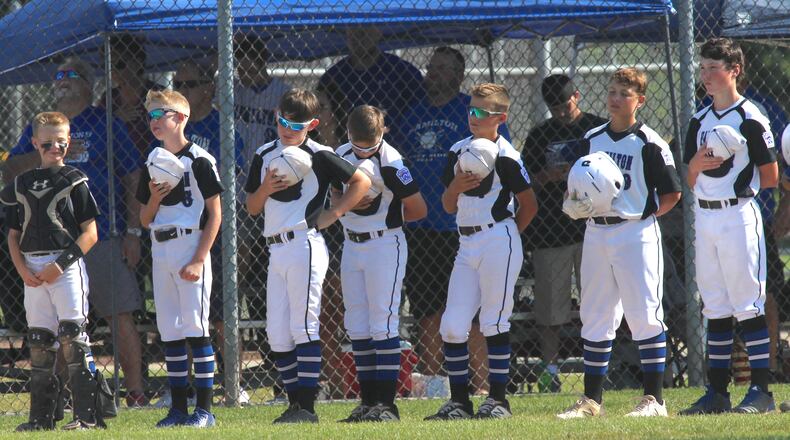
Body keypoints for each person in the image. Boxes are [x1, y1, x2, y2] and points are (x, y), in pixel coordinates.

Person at [1, 57, 147, 408]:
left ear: (88, 83)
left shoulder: (106, 123)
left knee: (118, 313)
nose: (62, 81)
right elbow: (9, 170)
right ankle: (60, 396)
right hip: (49, 243)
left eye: (71, 75)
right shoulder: (41, 129)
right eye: (59, 76)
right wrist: (49, 151)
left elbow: (132, 177)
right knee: (58, 323)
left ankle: (136, 392)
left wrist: (132, 231)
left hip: (99, 235)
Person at [556, 67, 682, 418]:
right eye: (612, 91)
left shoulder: (648, 142)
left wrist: (641, 215)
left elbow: (672, 193)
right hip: (596, 232)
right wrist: (575, 200)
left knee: (644, 315)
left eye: (624, 94)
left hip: (635, 231)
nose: (615, 98)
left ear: (639, 101)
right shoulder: (592, 137)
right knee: (595, 314)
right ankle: (591, 401)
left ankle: (654, 400)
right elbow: (578, 182)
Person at [244, 89, 371, 423]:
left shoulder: (319, 153)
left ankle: (307, 408)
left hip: (305, 242)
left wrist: (335, 212)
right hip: (275, 247)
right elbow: (252, 207)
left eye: (297, 124)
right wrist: (266, 189)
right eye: (283, 121)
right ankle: (294, 402)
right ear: (275, 115)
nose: (288, 129)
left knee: (304, 325)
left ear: (312, 124)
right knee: (276, 332)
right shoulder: (265, 152)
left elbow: (361, 181)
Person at [399, 47, 509, 397]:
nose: (434, 73)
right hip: (421, 226)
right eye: (431, 67)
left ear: (459, 75)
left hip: (460, 229)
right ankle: (433, 385)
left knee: (473, 315)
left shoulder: (469, 111)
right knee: (428, 310)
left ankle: (481, 386)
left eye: (444, 68)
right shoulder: (411, 113)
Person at [425, 83, 537, 420]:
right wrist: (456, 185)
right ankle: (460, 402)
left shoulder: (507, 155)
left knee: (493, 321)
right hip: (466, 243)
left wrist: (506, 237)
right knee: (453, 325)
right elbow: (446, 205)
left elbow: (529, 205)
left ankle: (498, 400)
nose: (473, 117)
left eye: (481, 112)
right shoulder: (458, 150)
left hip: (497, 238)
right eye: (471, 110)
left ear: (500, 118)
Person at [680, 38, 779, 415]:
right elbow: (689, 177)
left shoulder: (750, 116)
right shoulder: (699, 120)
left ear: (734, 70)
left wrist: (737, 160)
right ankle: (717, 392)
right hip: (705, 217)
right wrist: (696, 167)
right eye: (702, 67)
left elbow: (769, 176)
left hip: (738, 214)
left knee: (747, 304)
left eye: (713, 68)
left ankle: (761, 392)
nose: (705, 75)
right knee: (715, 306)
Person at [3, 112, 111, 430]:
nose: (55, 148)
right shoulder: (19, 184)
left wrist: (59, 266)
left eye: (61, 143)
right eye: (47, 143)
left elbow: (90, 233)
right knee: (39, 340)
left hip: (64, 265)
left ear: (69, 142)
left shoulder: (75, 179)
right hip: (31, 268)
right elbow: (12, 235)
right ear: (35, 143)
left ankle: (87, 417)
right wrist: (22, 268)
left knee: (73, 337)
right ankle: (41, 418)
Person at [137, 90, 224, 428]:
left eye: (162, 113)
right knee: (170, 331)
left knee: (196, 329)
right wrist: (155, 199)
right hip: (161, 249)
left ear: (182, 117)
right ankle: (177, 409)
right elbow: (144, 218)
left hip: (190, 246)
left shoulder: (199, 159)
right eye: (151, 116)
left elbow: (215, 214)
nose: (155, 121)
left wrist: (199, 259)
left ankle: (205, 410)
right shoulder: (154, 159)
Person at [335, 105, 427, 422]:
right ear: (348, 135)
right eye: (358, 144)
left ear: (382, 132)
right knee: (357, 324)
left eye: (369, 145)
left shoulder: (391, 161)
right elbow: (331, 192)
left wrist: (382, 211)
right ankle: (368, 401)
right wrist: (344, 203)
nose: (362, 151)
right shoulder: (341, 153)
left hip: (384, 242)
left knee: (382, 322)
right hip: (352, 243)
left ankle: (387, 405)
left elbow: (418, 209)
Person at [521, 74, 607, 392]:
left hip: (593, 228)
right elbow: (525, 178)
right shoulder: (540, 135)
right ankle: (550, 370)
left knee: (598, 303)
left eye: (565, 103)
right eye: (554, 106)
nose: (561, 111)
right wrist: (547, 176)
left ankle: (603, 367)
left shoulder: (598, 128)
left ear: (578, 96)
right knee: (550, 310)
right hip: (550, 231)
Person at [172, 60, 249, 403]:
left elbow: (229, 179)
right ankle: (183, 388)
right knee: (182, 312)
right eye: (177, 84)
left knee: (221, 312)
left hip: (216, 229)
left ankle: (233, 384)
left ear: (208, 88)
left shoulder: (223, 127)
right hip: (180, 229)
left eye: (187, 84)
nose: (181, 92)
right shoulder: (170, 132)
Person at [317, 27, 422, 136]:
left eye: (364, 31)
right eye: (353, 30)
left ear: (379, 31)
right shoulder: (334, 76)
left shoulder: (402, 71)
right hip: (347, 146)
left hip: (393, 144)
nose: (358, 37)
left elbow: (420, 111)